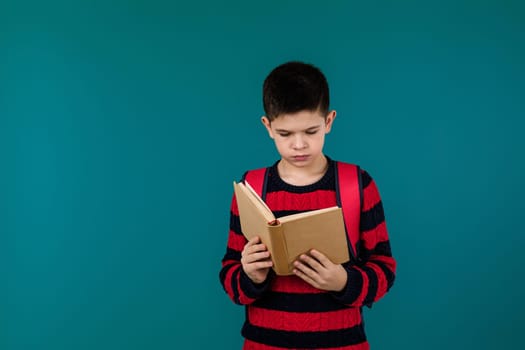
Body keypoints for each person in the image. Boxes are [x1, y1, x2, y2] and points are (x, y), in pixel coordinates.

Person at [219, 61, 396, 349]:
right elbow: (230, 276)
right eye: (285, 134)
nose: (299, 145)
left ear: (329, 121)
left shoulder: (357, 184)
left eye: (311, 131)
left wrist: (343, 281)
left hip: (341, 342)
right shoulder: (251, 188)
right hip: (264, 342)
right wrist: (250, 275)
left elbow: (385, 270)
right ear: (268, 126)